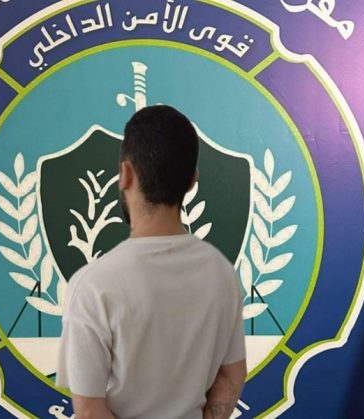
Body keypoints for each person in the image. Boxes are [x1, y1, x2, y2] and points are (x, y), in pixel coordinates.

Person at [56, 105, 246, 419]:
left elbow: (89, 410)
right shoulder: (222, 274)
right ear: (192, 181)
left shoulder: (92, 286)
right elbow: (231, 374)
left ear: (126, 174)